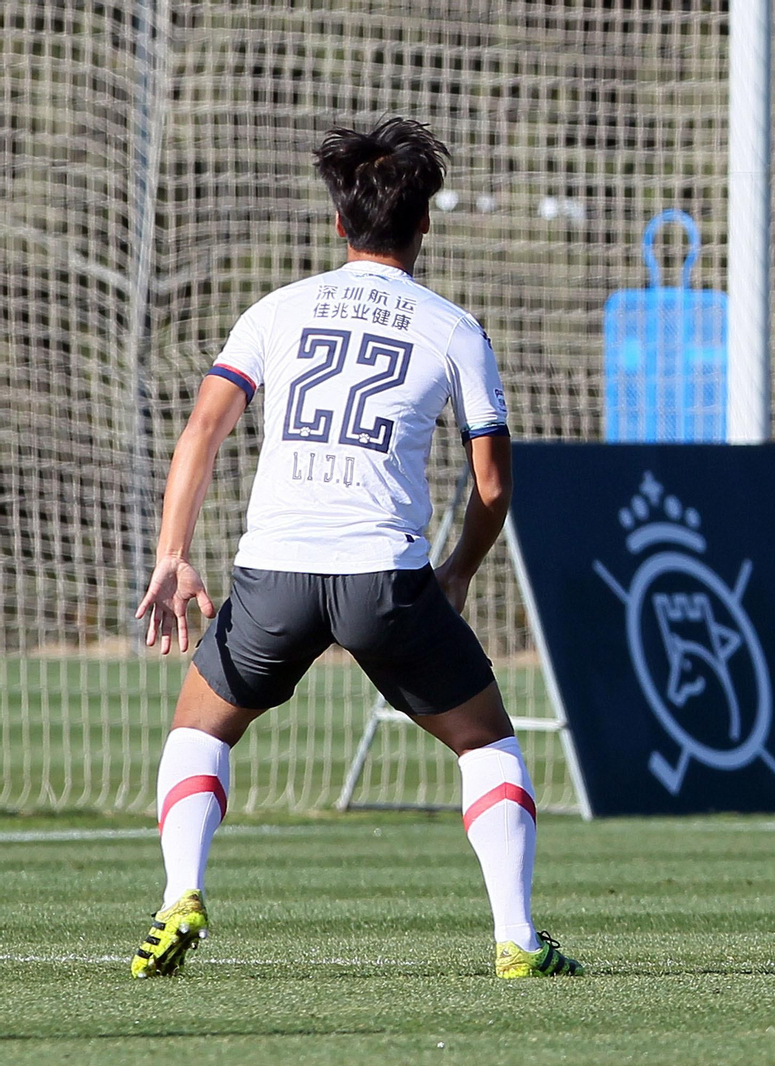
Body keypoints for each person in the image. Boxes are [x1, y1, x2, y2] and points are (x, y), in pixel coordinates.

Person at [131, 118, 582, 979]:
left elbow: (202, 428)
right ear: (425, 227)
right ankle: (518, 941)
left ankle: (178, 896)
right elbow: (492, 488)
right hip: (385, 576)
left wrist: (172, 554)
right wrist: (454, 573)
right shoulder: (455, 330)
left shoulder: (274, 310)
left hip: (276, 574)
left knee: (198, 731)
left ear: (339, 224)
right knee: (487, 745)